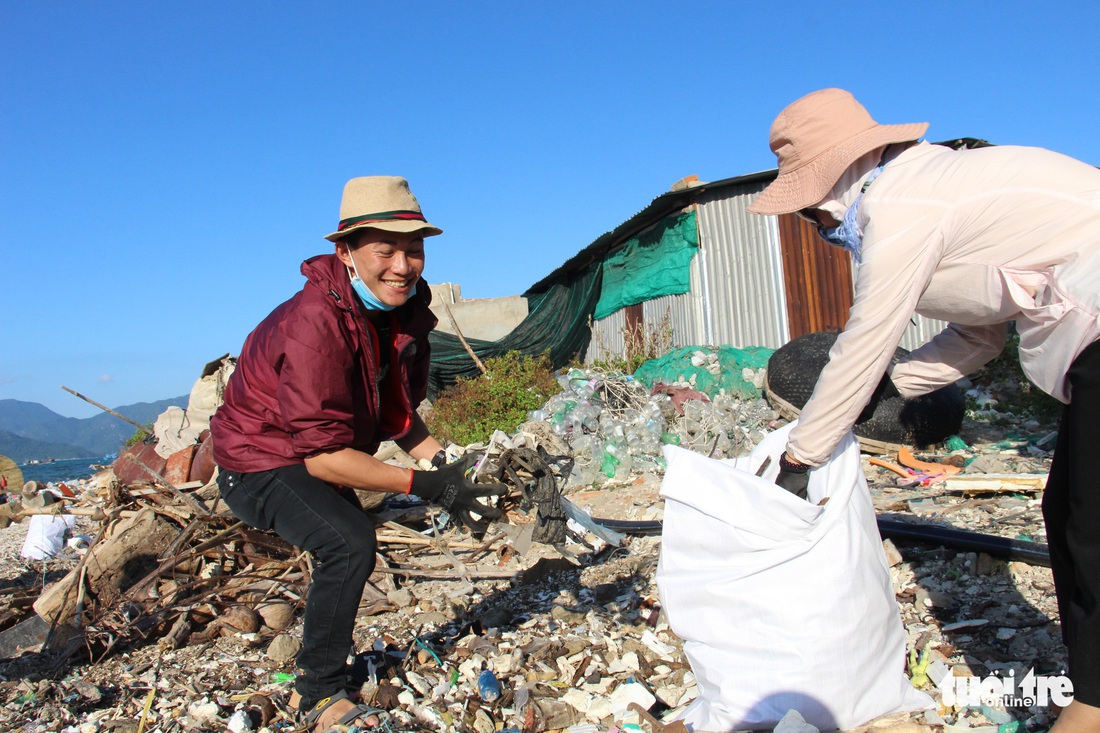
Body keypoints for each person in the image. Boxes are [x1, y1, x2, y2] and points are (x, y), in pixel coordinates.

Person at [747, 88, 1100, 732]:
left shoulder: (901, 202)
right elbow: (982, 332)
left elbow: (868, 334)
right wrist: (894, 390)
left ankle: (1096, 708)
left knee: (1092, 522)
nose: (817, 227)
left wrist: (803, 453)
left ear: (832, 180)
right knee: (1068, 508)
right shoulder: (923, 186)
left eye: (808, 210)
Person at [210, 176, 505, 732]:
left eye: (413, 250)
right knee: (347, 542)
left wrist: (452, 467)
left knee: (348, 540)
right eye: (384, 251)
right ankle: (317, 693)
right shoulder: (314, 324)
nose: (402, 265)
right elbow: (321, 457)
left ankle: (323, 665)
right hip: (257, 458)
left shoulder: (397, 313)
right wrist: (425, 487)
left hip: (314, 447)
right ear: (345, 253)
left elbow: (396, 414)